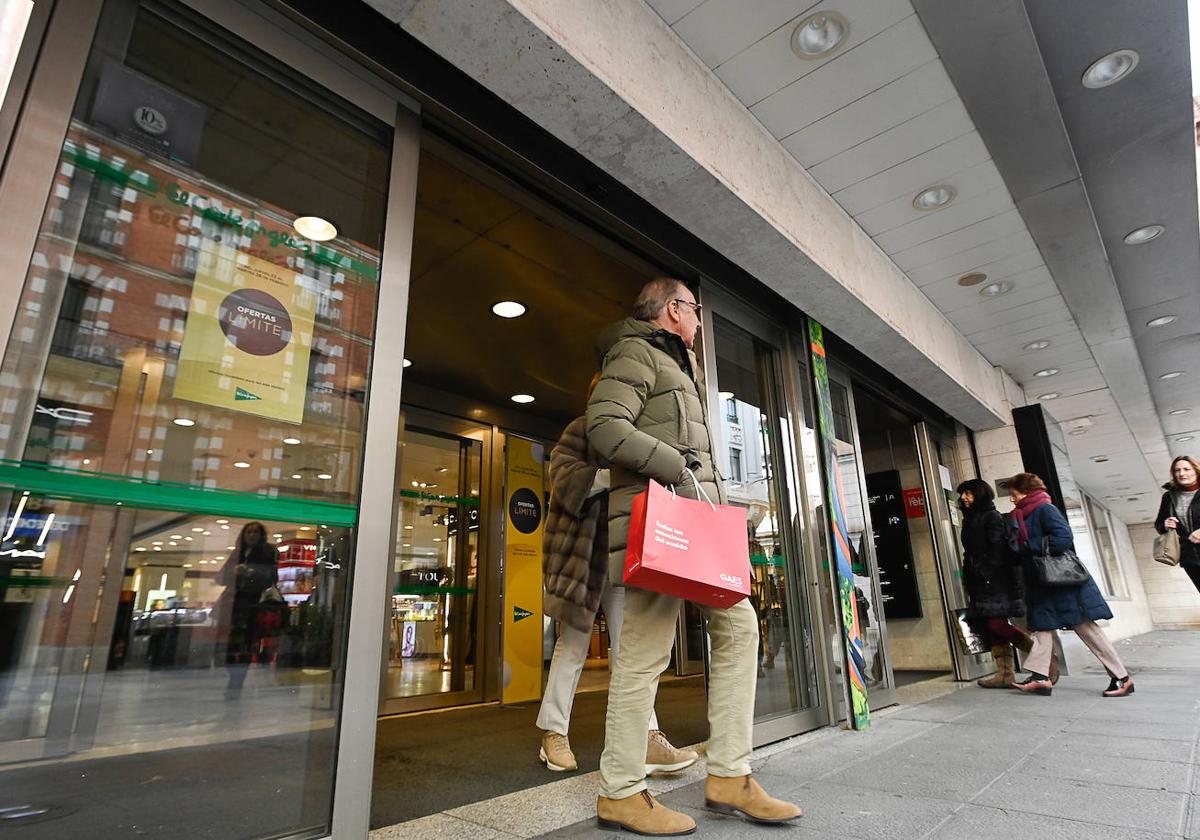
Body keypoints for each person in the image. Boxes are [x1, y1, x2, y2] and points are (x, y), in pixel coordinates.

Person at [589, 278, 802, 835]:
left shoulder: (683, 368)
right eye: (696, 310)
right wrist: (676, 466)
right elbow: (604, 428)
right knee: (642, 658)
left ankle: (729, 775)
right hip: (659, 527)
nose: (701, 321)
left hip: (694, 529)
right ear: (673, 310)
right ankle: (619, 791)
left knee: (740, 629)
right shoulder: (636, 352)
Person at [537, 373, 697, 775]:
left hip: (625, 556)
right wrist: (614, 477)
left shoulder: (634, 433)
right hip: (583, 558)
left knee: (634, 652)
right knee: (571, 646)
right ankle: (553, 732)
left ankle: (646, 735)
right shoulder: (581, 429)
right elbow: (563, 477)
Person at [1005, 474, 1133, 698]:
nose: (1012, 499)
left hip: (1062, 582)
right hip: (1042, 581)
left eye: (1014, 494)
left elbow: (1063, 537)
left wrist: (1029, 547)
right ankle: (1040, 678)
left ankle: (1122, 678)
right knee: (1042, 627)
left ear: (1025, 491)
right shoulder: (1023, 515)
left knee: (1085, 628)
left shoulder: (1045, 509)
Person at [956, 479, 1057, 688]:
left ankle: (1044, 660)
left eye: (968, 493)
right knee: (991, 627)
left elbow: (997, 550)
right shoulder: (970, 519)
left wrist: (984, 571)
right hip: (980, 579)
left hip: (996, 579)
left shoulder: (991, 517)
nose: (963, 497)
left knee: (997, 624)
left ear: (980, 493)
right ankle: (1004, 673)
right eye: (962, 493)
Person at [218, 521, 280, 694]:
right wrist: (235, 573)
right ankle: (234, 677)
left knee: (246, 643)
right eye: (248, 532)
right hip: (236, 605)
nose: (251, 535)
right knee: (232, 644)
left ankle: (237, 680)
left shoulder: (268, 552)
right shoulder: (238, 553)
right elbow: (221, 577)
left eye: (255, 532)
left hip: (254, 605)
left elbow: (272, 577)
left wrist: (251, 572)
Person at [1154, 455, 1200, 593]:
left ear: (1196, 471)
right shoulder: (1169, 496)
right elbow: (1159, 524)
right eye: (1177, 470)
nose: (1182, 473)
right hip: (1190, 557)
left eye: (1186, 469)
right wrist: (1165, 524)